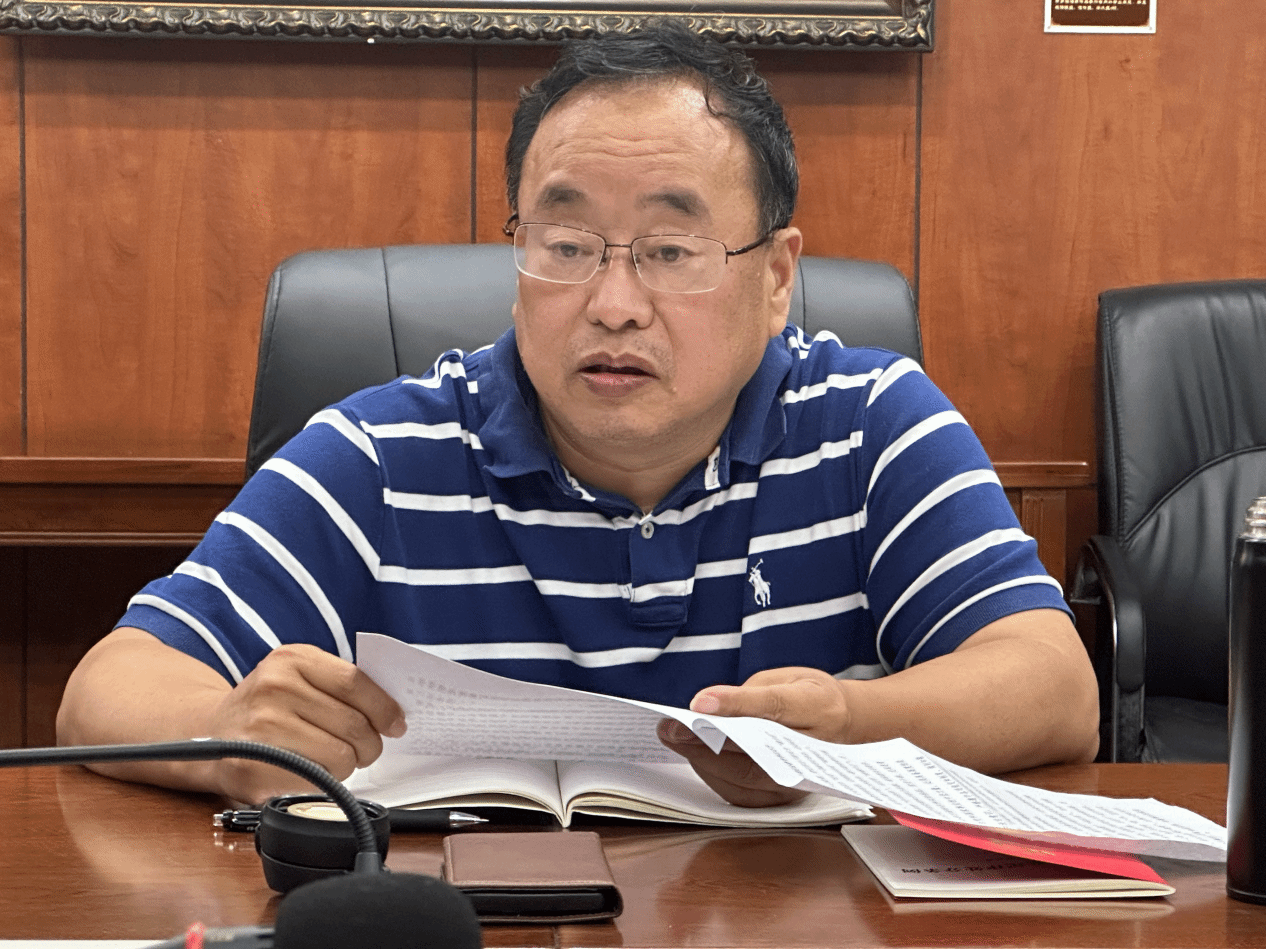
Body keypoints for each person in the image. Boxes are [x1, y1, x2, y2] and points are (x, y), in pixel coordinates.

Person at [57, 23, 1098, 806]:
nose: (612, 303)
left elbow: (1054, 687)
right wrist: (231, 730)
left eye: (671, 251)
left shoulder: (871, 425)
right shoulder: (380, 455)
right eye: (566, 246)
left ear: (777, 277)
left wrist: (844, 725)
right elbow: (108, 687)